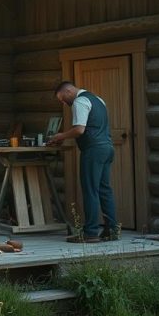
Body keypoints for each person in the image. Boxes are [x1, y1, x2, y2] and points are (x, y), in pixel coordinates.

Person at [48, 81, 119, 243]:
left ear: (68, 90)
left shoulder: (80, 101)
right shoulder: (99, 100)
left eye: (62, 99)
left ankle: (91, 233)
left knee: (90, 191)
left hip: (93, 150)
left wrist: (60, 136)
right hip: (107, 147)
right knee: (104, 190)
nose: (64, 103)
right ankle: (113, 230)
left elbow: (80, 129)